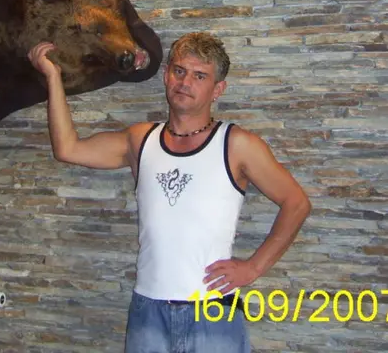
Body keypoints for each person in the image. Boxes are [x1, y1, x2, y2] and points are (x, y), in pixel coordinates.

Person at [28, 32, 311, 353]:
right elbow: (67, 149)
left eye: (199, 76)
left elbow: (296, 203)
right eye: (179, 71)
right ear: (166, 75)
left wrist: (254, 267)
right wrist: (53, 77)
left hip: (213, 312)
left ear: (218, 89)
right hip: (148, 311)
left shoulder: (237, 144)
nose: (185, 82)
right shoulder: (141, 140)